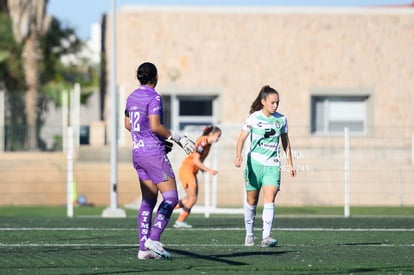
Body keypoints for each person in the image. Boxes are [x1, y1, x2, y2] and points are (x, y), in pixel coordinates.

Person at [124, 62, 195, 260]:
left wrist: (145, 137)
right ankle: (153, 239)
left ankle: (143, 249)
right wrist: (177, 137)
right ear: (155, 77)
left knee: (148, 200)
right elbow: (156, 126)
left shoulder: (131, 96)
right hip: (153, 154)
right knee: (171, 198)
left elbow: (128, 123)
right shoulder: (154, 96)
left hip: (138, 153)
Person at [234, 85, 296, 247]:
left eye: (277, 103)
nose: (275, 105)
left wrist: (290, 163)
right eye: (272, 102)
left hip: (272, 166)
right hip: (254, 165)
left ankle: (266, 237)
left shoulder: (281, 119)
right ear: (263, 102)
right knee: (251, 201)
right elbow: (241, 139)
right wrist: (239, 155)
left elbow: (285, 142)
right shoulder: (253, 118)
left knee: (270, 199)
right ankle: (249, 234)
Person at [174, 125, 222, 228]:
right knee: (193, 198)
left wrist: (201, 169)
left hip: (191, 171)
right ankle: (179, 221)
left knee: (191, 199)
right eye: (218, 136)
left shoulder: (208, 144)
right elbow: (196, 160)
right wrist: (208, 170)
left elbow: (198, 160)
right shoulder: (203, 142)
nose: (219, 138)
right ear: (211, 134)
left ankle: (167, 209)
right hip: (187, 171)